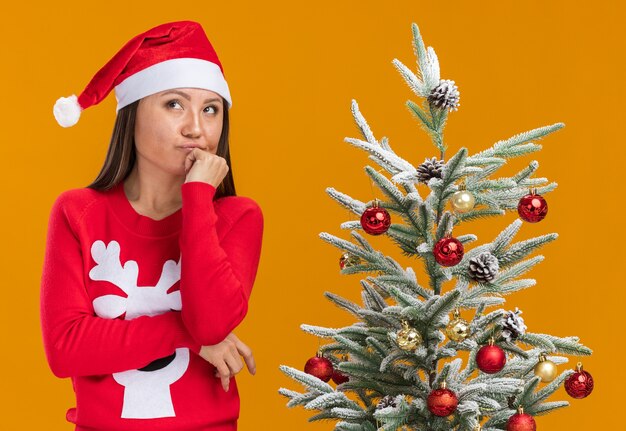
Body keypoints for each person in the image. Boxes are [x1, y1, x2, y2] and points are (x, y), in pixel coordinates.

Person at [40, 21, 264, 431]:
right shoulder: (78, 212)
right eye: (174, 104)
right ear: (133, 112)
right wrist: (193, 339)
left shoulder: (238, 217)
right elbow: (65, 349)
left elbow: (212, 323)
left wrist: (198, 199)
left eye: (210, 109)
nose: (196, 127)